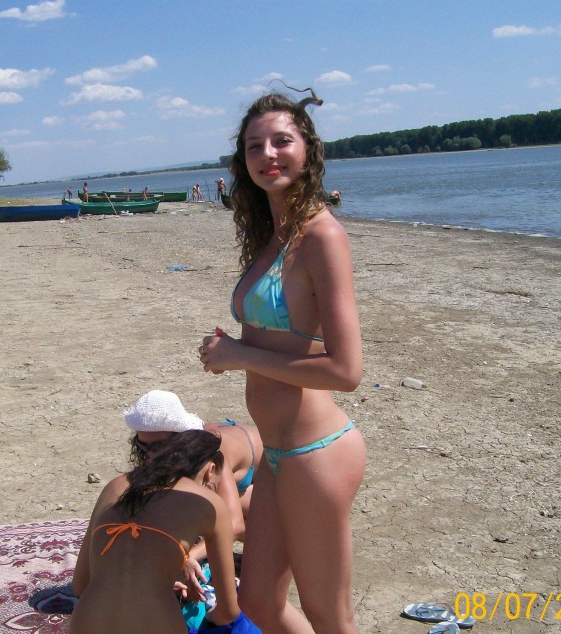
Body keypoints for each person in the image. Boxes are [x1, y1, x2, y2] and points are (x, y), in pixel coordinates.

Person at [198, 88, 366, 633]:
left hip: (316, 454)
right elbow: (289, 342)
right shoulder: (273, 238)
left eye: (281, 141)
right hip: (277, 454)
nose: (268, 153)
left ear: (308, 150)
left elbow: (347, 371)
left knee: (328, 613)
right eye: (254, 146)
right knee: (259, 605)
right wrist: (233, 353)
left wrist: (237, 354)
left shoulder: (322, 236)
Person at [71, 430, 259, 634]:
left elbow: (80, 585)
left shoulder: (115, 486)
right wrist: (209, 617)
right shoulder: (209, 503)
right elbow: (228, 611)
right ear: (210, 470)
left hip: (87, 623)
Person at [123, 390, 262, 591]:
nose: (150, 455)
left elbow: (234, 524)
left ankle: (268, 555)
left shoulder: (211, 454)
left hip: (273, 470)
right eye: (142, 446)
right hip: (239, 461)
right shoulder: (155, 451)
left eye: (158, 447)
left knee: (224, 511)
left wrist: (186, 556)